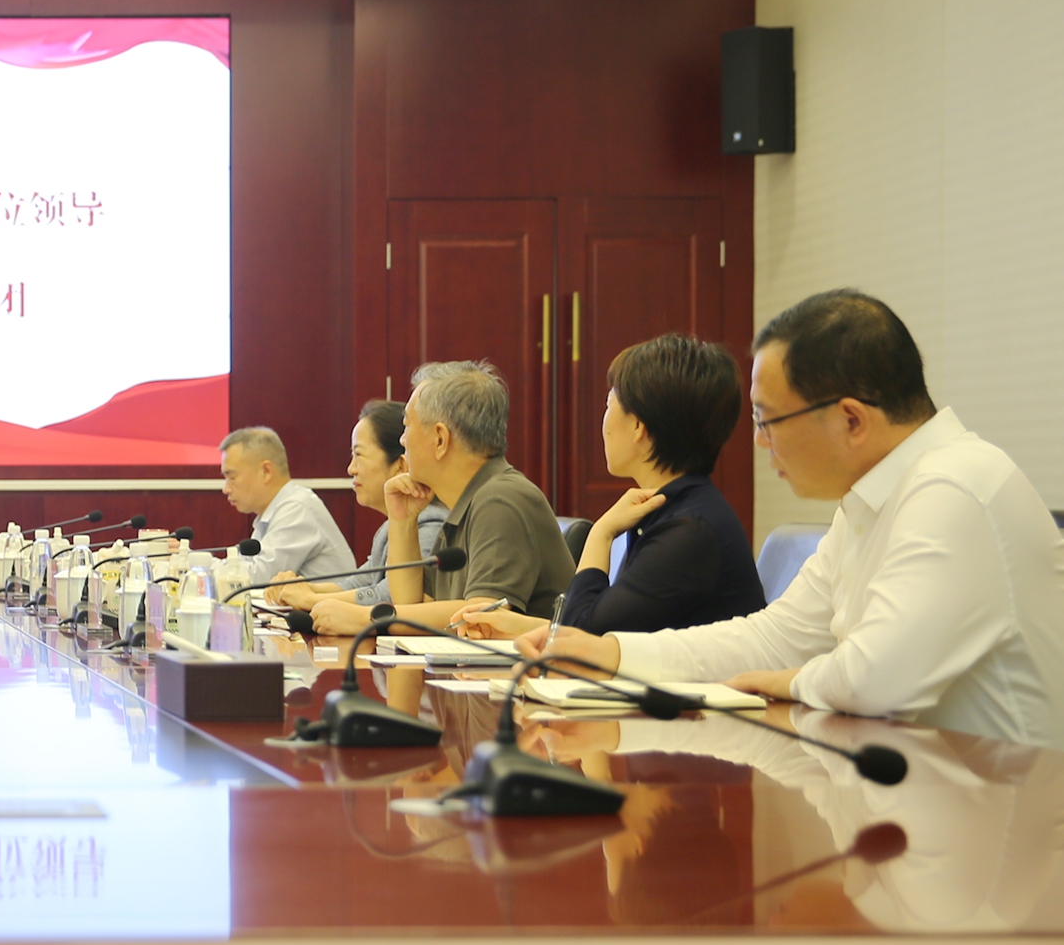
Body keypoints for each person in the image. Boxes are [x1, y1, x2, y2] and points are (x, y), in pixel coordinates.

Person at [521, 290, 1064, 745]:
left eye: (768, 420)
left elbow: (875, 680)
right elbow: (776, 636)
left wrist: (785, 681)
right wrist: (609, 652)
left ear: (851, 419)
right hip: (917, 793)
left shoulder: (954, 488)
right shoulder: (875, 499)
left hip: (1001, 814)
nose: (759, 441)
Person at [457, 334, 767, 641]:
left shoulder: (690, 531)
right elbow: (608, 628)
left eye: (609, 404)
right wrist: (515, 626)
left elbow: (585, 637)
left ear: (638, 427)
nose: (603, 423)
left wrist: (601, 532)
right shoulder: (674, 509)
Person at [382, 359, 575, 624]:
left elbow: (480, 617)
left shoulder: (501, 500)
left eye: (407, 425)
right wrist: (402, 518)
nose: (402, 440)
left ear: (440, 439)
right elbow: (412, 606)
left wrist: (365, 618)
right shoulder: (465, 503)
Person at [269, 399, 448, 636]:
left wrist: (310, 599)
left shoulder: (431, 522)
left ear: (400, 465)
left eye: (359, 455)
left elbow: (392, 597)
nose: (351, 469)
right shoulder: (390, 527)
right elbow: (360, 582)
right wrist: (304, 588)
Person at [218, 426, 354, 589]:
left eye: (232, 477)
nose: (226, 489)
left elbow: (256, 579)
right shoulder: (272, 512)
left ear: (266, 471)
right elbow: (244, 567)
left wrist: (199, 566)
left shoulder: (297, 508)